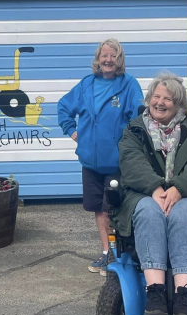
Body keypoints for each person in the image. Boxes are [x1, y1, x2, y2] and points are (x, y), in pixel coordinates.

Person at [112, 72, 187, 315]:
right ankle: (155, 295)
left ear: (179, 105)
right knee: (148, 210)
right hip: (144, 194)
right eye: (156, 96)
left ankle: (185, 296)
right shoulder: (134, 129)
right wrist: (155, 188)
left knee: (185, 212)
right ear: (149, 100)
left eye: (167, 99)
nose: (160, 102)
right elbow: (131, 163)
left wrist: (179, 188)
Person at [57, 38, 144, 275]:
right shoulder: (86, 85)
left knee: (114, 209)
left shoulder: (129, 85)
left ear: (119, 60)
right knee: (99, 209)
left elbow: (138, 119)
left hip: (117, 162)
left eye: (113, 55)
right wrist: (72, 131)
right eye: (104, 55)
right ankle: (107, 253)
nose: (108, 60)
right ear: (98, 59)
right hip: (90, 162)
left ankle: (120, 255)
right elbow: (63, 107)